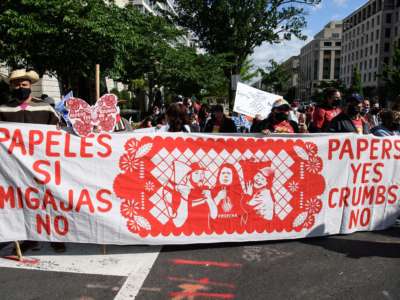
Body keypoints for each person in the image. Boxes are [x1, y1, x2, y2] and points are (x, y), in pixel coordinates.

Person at [1, 69, 64, 253]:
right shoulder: (3, 109)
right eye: (16, 84)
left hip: (44, 166)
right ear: (11, 86)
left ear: (31, 86)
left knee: (49, 200)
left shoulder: (45, 108)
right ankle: (28, 238)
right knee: (21, 202)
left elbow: (59, 135)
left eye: (24, 85)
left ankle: (57, 236)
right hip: (15, 166)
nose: (20, 88)